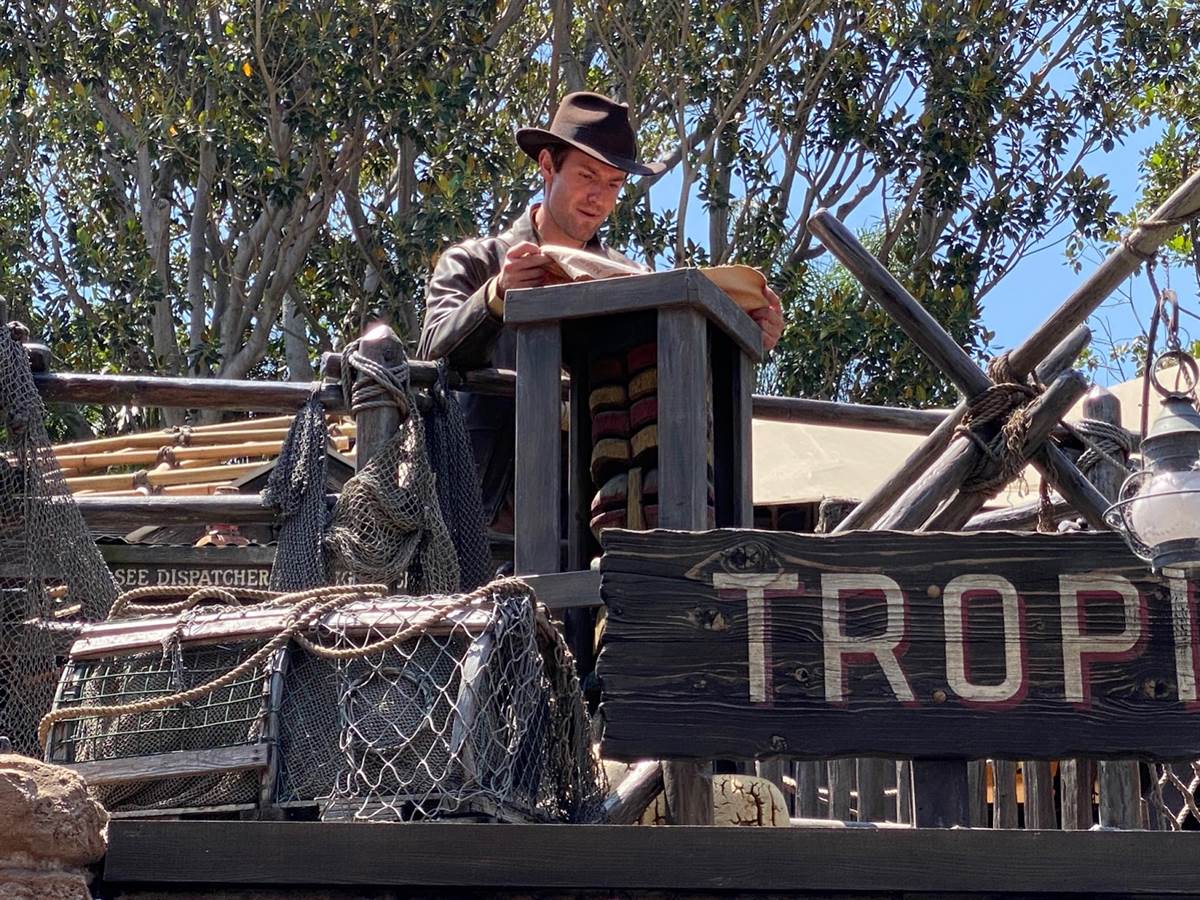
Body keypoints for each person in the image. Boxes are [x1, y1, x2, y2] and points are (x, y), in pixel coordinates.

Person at [417, 91, 784, 531]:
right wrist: (497, 295)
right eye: (587, 175)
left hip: (601, 524)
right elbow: (434, 351)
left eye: (614, 184)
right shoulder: (477, 262)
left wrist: (744, 332)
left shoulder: (633, 281)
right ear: (547, 166)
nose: (599, 197)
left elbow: (683, 381)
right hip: (489, 520)